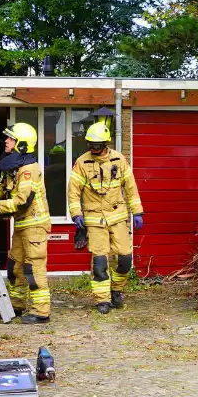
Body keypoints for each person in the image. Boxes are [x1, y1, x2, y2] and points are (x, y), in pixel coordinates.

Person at [0, 122, 52, 324]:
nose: (6, 141)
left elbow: (22, 201)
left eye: (11, 139)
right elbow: (2, 190)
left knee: (33, 269)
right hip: (21, 225)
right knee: (15, 268)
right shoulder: (13, 167)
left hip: (34, 225)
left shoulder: (28, 170)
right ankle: (16, 306)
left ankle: (41, 311)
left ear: (22, 145)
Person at [67, 121, 144, 314]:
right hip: (95, 220)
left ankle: (116, 289)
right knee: (100, 261)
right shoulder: (82, 163)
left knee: (125, 259)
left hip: (118, 217)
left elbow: (131, 188)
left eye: (96, 145)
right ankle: (102, 300)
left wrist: (137, 211)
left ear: (105, 144)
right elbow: (73, 191)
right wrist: (76, 214)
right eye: (90, 144)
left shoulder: (119, 159)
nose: (93, 148)